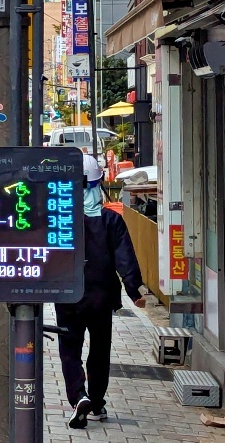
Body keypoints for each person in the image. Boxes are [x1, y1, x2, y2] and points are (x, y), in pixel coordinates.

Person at [56, 152, 145, 429]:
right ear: (99, 183)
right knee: (100, 350)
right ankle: (95, 402)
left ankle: (78, 396)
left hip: (68, 295)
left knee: (70, 349)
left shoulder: (61, 218)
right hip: (101, 296)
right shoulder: (110, 220)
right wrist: (135, 291)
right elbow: (124, 258)